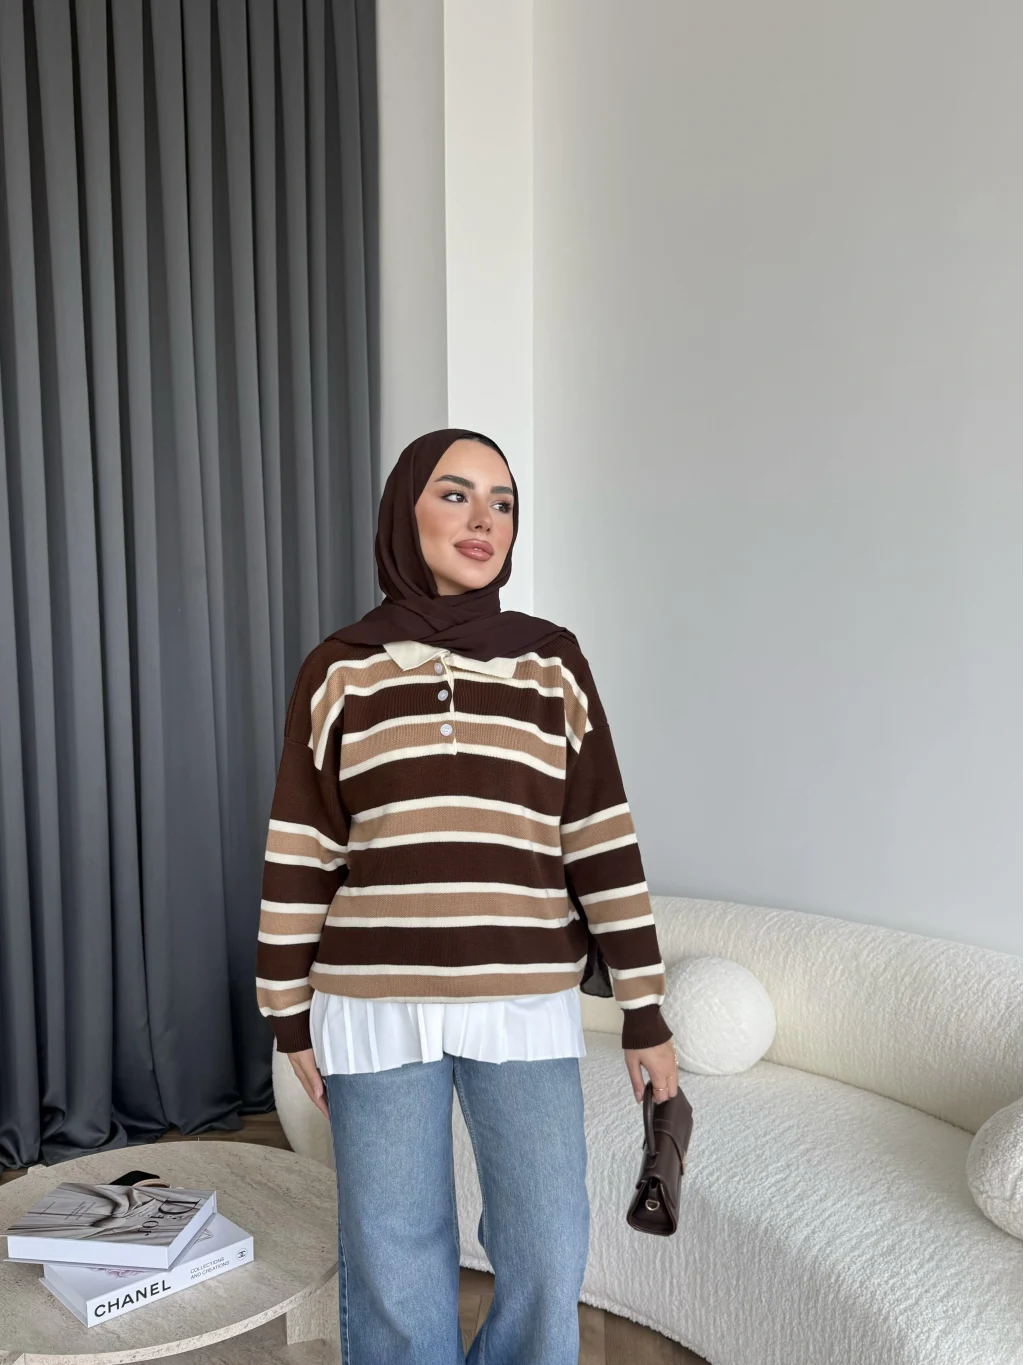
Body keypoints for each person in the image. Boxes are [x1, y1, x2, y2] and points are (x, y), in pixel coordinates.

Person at [255, 429, 678, 1365]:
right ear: (404, 512)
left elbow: (600, 838)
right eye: (455, 494)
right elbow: (303, 848)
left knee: (547, 1239)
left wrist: (645, 1009)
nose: (483, 518)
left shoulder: (552, 664)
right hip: (371, 1004)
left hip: (523, 1000)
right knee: (394, 1253)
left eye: (503, 501)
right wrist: (287, 1012)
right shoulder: (339, 669)